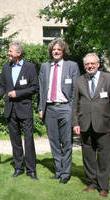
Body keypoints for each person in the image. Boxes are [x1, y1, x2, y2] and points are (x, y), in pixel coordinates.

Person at [37, 38, 80, 184]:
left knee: (67, 142)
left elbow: (75, 91)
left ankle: (66, 173)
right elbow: (42, 89)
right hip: (49, 108)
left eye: (59, 50)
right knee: (54, 141)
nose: (56, 52)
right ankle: (58, 171)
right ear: (51, 51)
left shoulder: (72, 66)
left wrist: (73, 110)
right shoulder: (44, 66)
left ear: (63, 52)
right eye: (54, 50)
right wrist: (41, 107)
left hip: (65, 107)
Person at [0, 41, 39, 180]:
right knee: (15, 141)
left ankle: (31, 170)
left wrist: (18, 94)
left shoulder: (30, 67)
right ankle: (19, 168)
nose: (8, 53)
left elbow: (34, 88)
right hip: (10, 109)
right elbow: (3, 87)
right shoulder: (6, 67)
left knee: (28, 140)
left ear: (18, 53)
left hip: (24, 109)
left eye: (10, 51)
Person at [72, 53, 110, 198]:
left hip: (103, 124)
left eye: (92, 63)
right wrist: (75, 123)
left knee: (104, 156)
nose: (90, 66)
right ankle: (92, 182)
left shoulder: (107, 78)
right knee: (88, 155)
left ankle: (103, 186)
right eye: (87, 64)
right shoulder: (80, 80)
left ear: (98, 64)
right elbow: (75, 103)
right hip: (85, 124)